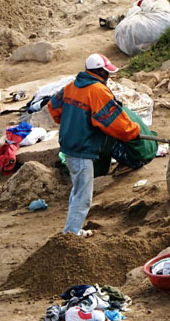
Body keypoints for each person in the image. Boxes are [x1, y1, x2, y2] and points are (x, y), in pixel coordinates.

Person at [46, 54, 142, 236]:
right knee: (83, 196)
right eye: (106, 73)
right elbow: (115, 121)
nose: (108, 77)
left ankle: (72, 230)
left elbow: (53, 107)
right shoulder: (97, 90)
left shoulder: (71, 86)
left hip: (68, 145)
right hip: (82, 148)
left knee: (77, 190)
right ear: (98, 71)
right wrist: (133, 132)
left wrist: (71, 122)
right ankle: (71, 236)